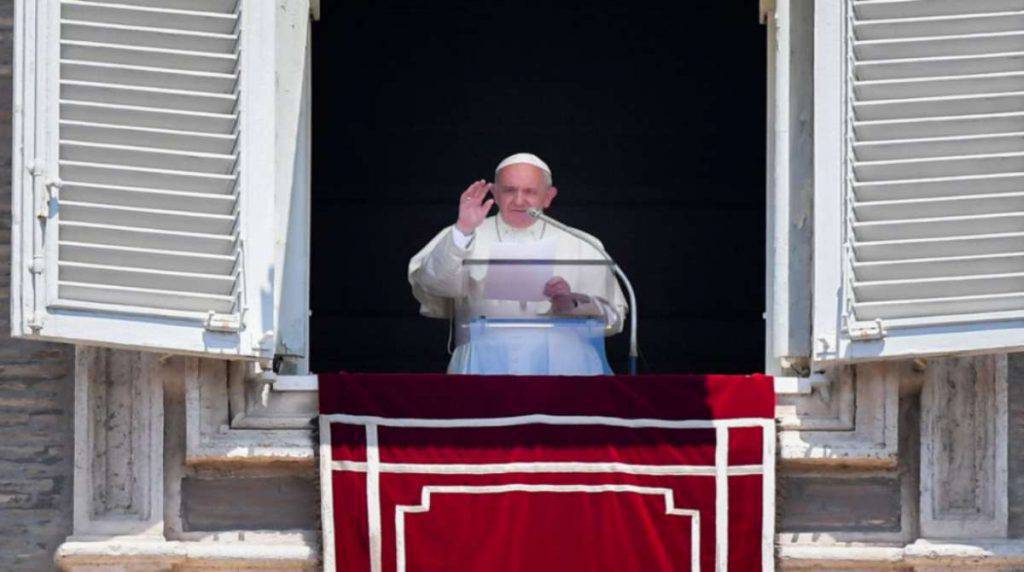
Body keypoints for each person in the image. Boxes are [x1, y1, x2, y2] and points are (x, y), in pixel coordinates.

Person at [408, 153, 628, 374]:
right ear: (494, 193)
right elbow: (432, 284)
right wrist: (463, 230)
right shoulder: (461, 234)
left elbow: (613, 319)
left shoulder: (583, 243)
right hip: (483, 365)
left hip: (566, 367)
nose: (519, 200)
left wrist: (570, 303)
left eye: (530, 191)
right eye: (510, 190)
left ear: (548, 196)